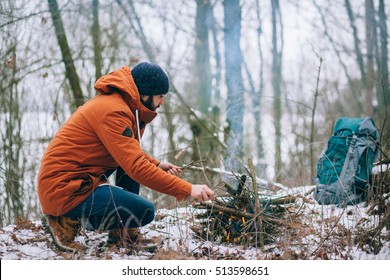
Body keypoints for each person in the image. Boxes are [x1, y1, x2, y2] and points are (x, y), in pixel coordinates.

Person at [37, 62, 215, 252]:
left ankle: (123, 234)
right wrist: (188, 189)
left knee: (127, 167)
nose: (162, 102)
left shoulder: (123, 105)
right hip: (64, 190)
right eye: (160, 96)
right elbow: (136, 166)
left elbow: (127, 151)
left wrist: (156, 164)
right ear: (145, 94)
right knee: (145, 210)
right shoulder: (114, 111)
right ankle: (63, 222)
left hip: (78, 182)